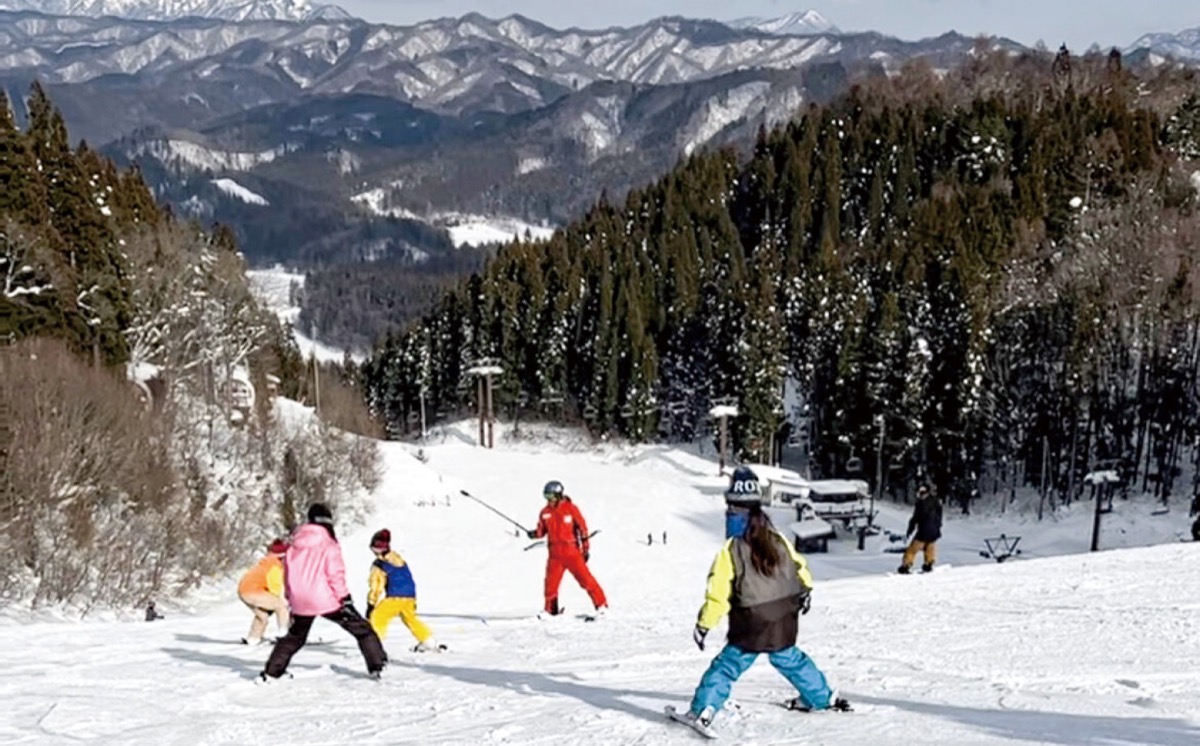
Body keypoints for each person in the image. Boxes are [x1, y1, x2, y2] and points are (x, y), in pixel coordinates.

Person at [678, 470, 849, 734]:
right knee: (789, 657)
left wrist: (704, 624)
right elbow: (800, 568)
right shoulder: (776, 538)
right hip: (784, 613)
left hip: (752, 621)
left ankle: (703, 710)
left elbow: (718, 595)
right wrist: (804, 592)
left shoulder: (731, 549)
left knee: (727, 666)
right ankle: (821, 697)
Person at [259, 503, 387, 682]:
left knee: (294, 637)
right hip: (325, 598)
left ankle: (272, 672)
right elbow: (335, 574)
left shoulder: (293, 544)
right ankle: (377, 665)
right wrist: (345, 598)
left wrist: (290, 596)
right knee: (362, 630)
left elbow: (288, 574)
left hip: (300, 599)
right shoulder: (329, 544)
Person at [527, 480, 608, 617]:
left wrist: (585, 549)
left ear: (558, 495)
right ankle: (550, 611)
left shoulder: (571, 509)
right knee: (550, 585)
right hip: (555, 555)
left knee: (586, 581)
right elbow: (542, 531)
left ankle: (601, 606)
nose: (549, 501)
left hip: (572, 553)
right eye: (546, 497)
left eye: (551, 497)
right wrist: (534, 534)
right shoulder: (545, 512)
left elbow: (582, 529)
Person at [365, 528, 444, 652]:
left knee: (377, 617)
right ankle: (428, 641)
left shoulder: (379, 564)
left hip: (395, 597)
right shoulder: (398, 559)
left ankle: (374, 647)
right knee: (410, 619)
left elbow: (376, 586)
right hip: (409, 596)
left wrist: (371, 604)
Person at [237, 538, 290, 645]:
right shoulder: (274, 565)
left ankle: (253, 639)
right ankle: (284, 635)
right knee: (281, 606)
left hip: (243, 591)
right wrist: (282, 599)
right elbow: (275, 587)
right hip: (253, 591)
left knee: (262, 616)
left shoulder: (267, 562)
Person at [899, 483, 943, 574]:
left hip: (923, 531)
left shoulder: (920, 504)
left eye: (921, 493)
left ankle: (906, 565)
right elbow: (939, 515)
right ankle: (929, 563)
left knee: (912, 549)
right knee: (929, 546)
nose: (920, 495)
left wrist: (909, 530)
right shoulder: (936, 501)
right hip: (934, 530)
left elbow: (915, 518)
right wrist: (938, 526)